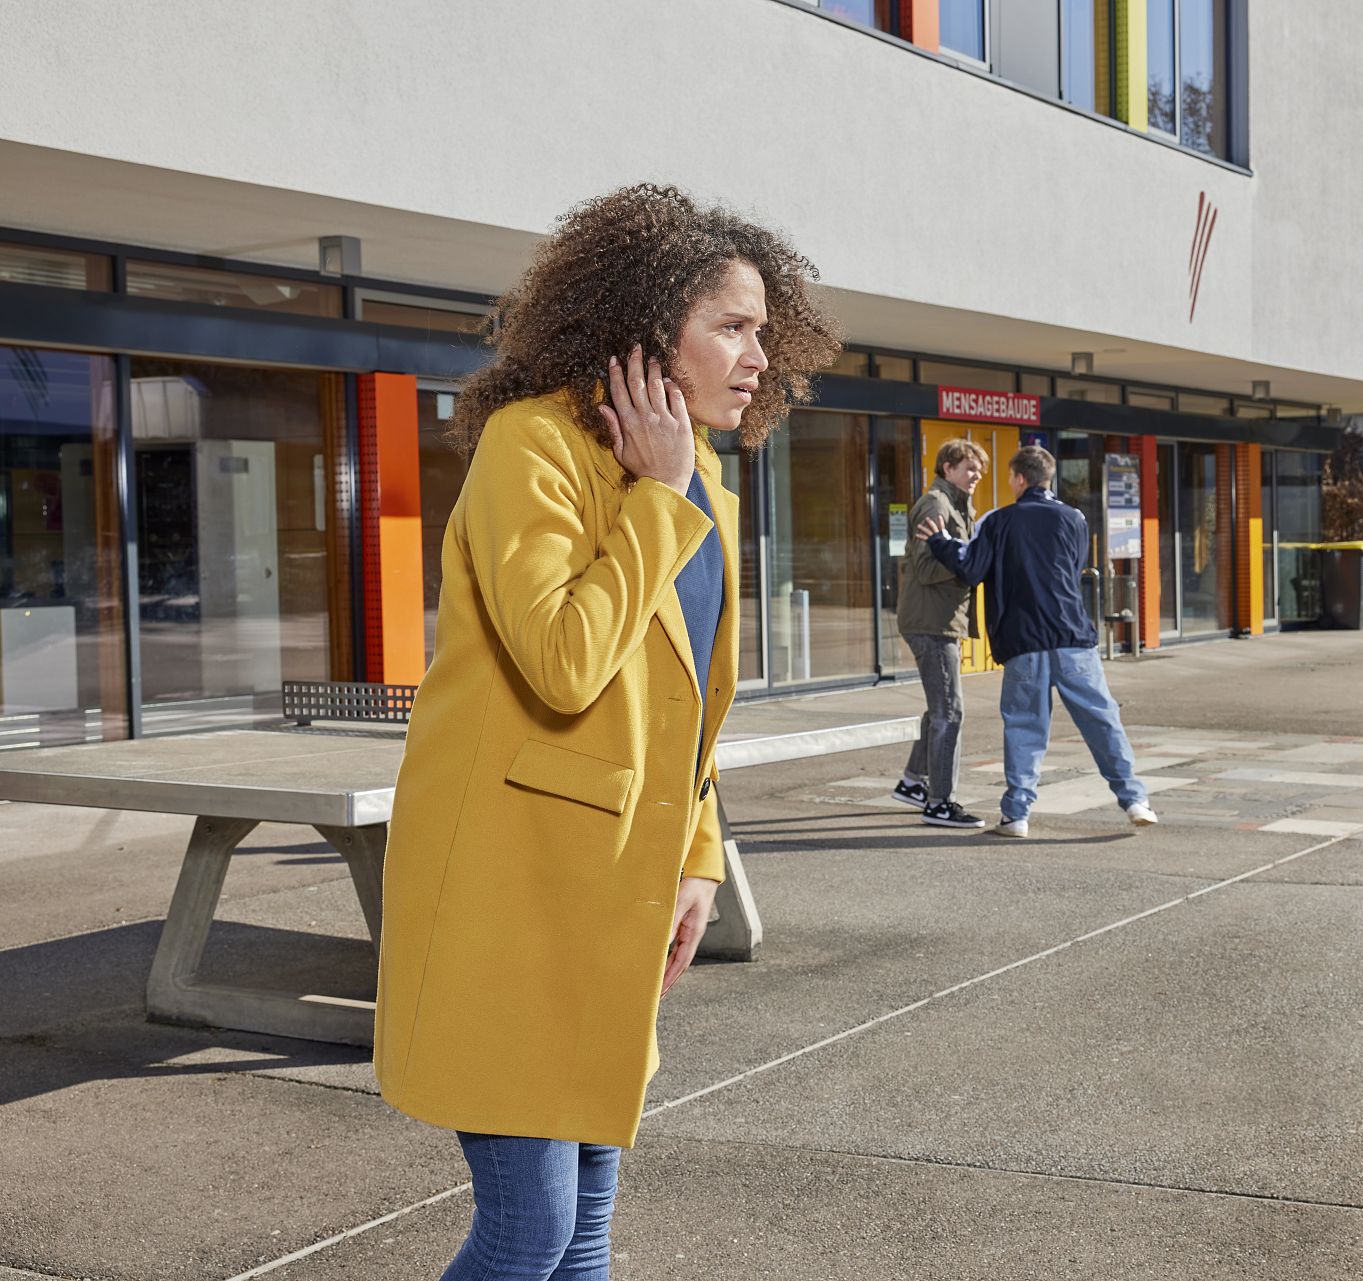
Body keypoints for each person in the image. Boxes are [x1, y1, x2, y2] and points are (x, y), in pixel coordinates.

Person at [374, 184, 839, 1281]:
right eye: (732, 326)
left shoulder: (701, 485)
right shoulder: (530, 450)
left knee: (585, 1229)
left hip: (613, 898)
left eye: (766, 331)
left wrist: (698, 864)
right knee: (527, 1231)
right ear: (643, 330)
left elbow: (689, 720)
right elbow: (565, 659)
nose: (758, 356)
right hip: (514, 900)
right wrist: (658, 495)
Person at [916, 445, 1157, 838]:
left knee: (1026, 727)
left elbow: (972, 569)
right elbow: (1074, 566)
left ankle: (1016, 815)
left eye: (1011, 477)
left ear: (1019, 479)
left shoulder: (998, 521)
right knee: (1103, 720)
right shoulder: (1074, 518)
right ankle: (1134, 800)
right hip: (1072, 637)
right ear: (1049, 479)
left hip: (1024, 640)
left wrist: (941, 542)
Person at [890, 438, 991, 828]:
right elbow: (927, 569)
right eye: (969, 467)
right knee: (951, 712)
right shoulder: (935, 505)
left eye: (979, 469)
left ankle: (913, 782)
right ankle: (940, 802)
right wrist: (966, 559)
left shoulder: (957, 505)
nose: (976, 474)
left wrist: (963, 552)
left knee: (938, 708)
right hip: (931, 623)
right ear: (947, 468)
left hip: (941, 619)